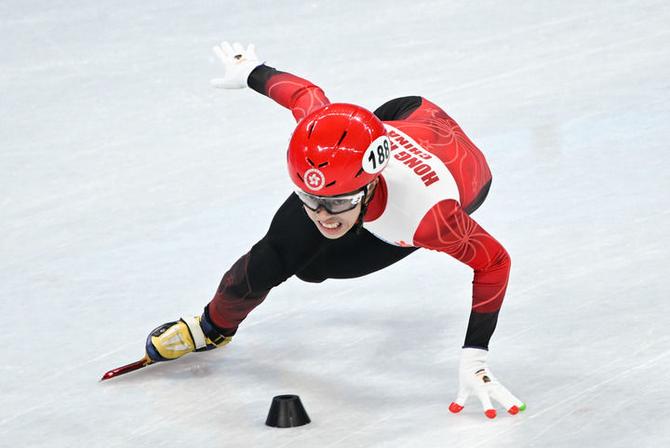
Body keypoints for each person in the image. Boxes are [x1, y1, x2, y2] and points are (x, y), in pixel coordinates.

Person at [145, 42, 525, 419]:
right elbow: (305, 96)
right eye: (309, 198)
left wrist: (475, 355)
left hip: (464, 177)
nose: (322, 215)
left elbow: (494, 262)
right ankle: (212, 328)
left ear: (370, 184)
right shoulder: (325, 146)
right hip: (405, 114)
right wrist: (251, 71)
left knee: (318, 267)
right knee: (280, 252)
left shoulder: (431, 219)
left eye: (338, 202)